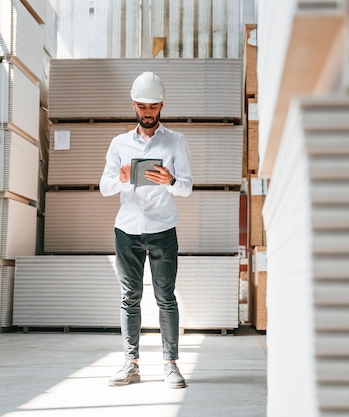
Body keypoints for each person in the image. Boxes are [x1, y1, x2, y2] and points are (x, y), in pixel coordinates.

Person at [99, 71, 193, 389]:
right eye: (141, 106)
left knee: (166, 298)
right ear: (134, 105)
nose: (147, 112)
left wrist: (171, 181)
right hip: (127, 230)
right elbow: (104, 187)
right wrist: (122, 178)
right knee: (130, 298)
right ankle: (131, 364)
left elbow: (187, 188)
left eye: (152, 106)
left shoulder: (176, 141)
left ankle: (170, 365)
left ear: (161, 105)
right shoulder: (120, 143)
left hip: (163, 227)